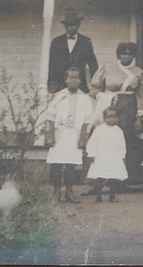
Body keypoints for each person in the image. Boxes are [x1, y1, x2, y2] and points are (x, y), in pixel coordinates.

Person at [91, 41, 143, 183]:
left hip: (128, 109)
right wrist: (103, 97)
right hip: (109, 107)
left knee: (125, 142)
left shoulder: (139, 73)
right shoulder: (107, 69)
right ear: (119, 55)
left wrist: (139, 117)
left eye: (129, 54)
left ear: (133, 56)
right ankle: (98, 180)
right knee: (104, 140)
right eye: (123, 53)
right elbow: (95, 87)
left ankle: (121, 181)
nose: (126, 57)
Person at [41, 67, 95, 203]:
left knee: (71, 165)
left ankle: (69, 191)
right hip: (59, 134)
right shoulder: (59, 96)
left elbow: (88, 120)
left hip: (74, 136)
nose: (73, 80)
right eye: (70, 77)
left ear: (80, 80)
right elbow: (49, 116)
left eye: (76, 77)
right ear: (66, 80)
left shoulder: (84, 98)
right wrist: (50, 136)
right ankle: (56, 191)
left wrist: (84, 138)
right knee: (56, 164)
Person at [47, 10, 99, 94]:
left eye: (74, 25)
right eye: (69, 25)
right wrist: (51, 84)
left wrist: (96, 83)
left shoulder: (86, 41)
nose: (72, 27)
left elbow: (93, 64)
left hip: (80, 85)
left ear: (78, 25)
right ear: (65, 26)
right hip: (60, 85)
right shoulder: (57, 41)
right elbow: (52, 64)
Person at [85, 107, 128, 202]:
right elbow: (92, 143)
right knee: (100, 177)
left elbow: (122, 145)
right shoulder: (99, 129)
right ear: (104, 118)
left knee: (113, 177)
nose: (112, 119)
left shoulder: (119, 131)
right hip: (101, 157)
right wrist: (91, 154)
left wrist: (122, 156)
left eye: (114, 117)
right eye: (109, 117)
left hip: (114, 157)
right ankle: (98, 195)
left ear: (118, 118)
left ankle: (112, 195)